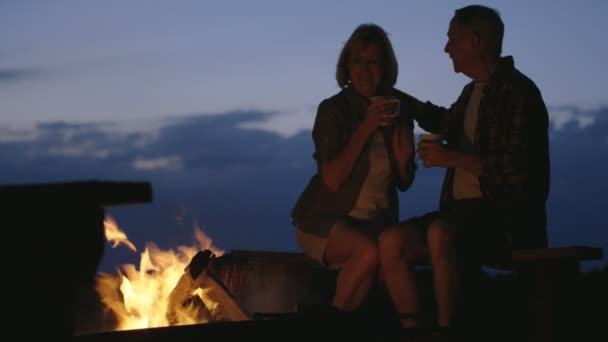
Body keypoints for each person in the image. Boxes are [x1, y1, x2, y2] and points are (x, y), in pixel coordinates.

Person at [391, 4, 551, 335]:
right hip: (459, 215)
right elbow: (442, 121)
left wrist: (453, 159)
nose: (446, 48)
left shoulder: (519, 92)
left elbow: (519, 167)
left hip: (505, 219)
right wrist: (395, 97)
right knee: (392, 241)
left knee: (440, 232)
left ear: (474, 42)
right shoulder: (471, 92)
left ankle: (447, 331)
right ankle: (413, 329)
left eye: (452, 39)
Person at [290, 23, 417, 323]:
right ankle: (332, 330)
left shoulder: (397, 110)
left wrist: (404, 154)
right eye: (357, 61)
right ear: (346, 67)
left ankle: (413, 329)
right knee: (368, 253)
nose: (364, 69)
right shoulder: (333, 111)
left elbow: (405, 182)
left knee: (388, 260)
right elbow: (332, 179)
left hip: (375, 225)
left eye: (373, 61)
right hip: (323, 221)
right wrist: (365, 128)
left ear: (385, 67)